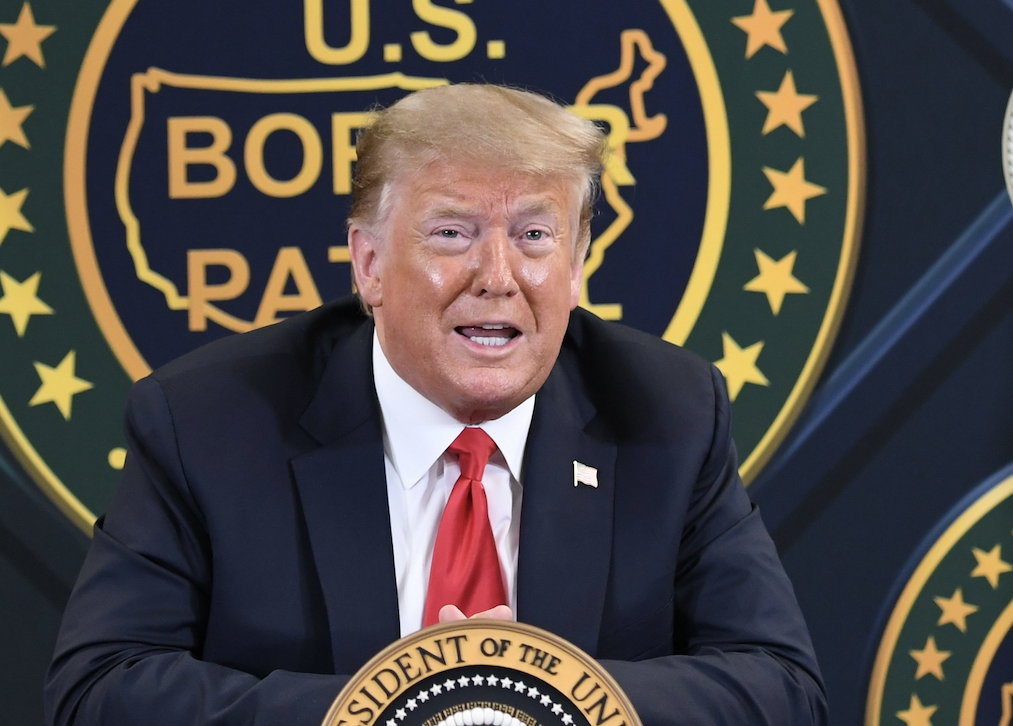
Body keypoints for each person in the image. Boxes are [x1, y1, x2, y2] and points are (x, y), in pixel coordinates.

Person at [47, 84, 824, 726]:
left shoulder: (668, 415)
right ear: (371, 264)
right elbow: (97, 692)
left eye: (535, 235)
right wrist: (407, 708)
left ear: (578, 265)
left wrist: (541, 698)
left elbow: (782, 689)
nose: (497, 275)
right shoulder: (207, 421)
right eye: (452, 232)